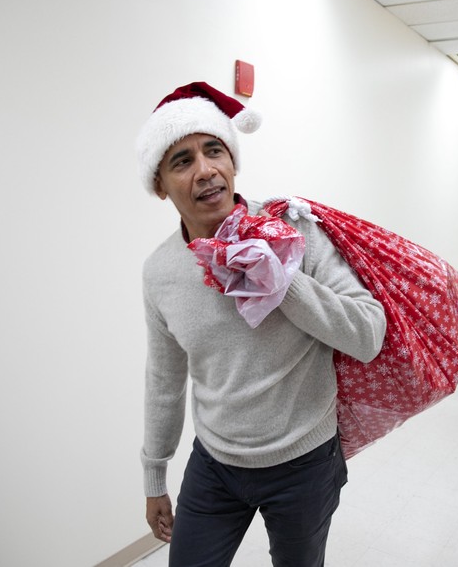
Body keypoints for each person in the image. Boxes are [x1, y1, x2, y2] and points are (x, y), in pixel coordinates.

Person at [134, 81, 387, 566]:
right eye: (182, 161)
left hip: (304, 462)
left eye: (214, 151)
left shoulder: (295, 230)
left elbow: (367, 334)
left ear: (232, 162)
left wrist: (282, 280)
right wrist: (154, 477)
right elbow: (164, 380)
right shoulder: (160, 272)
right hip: (215, 463)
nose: (205, 170)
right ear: (161, 184)